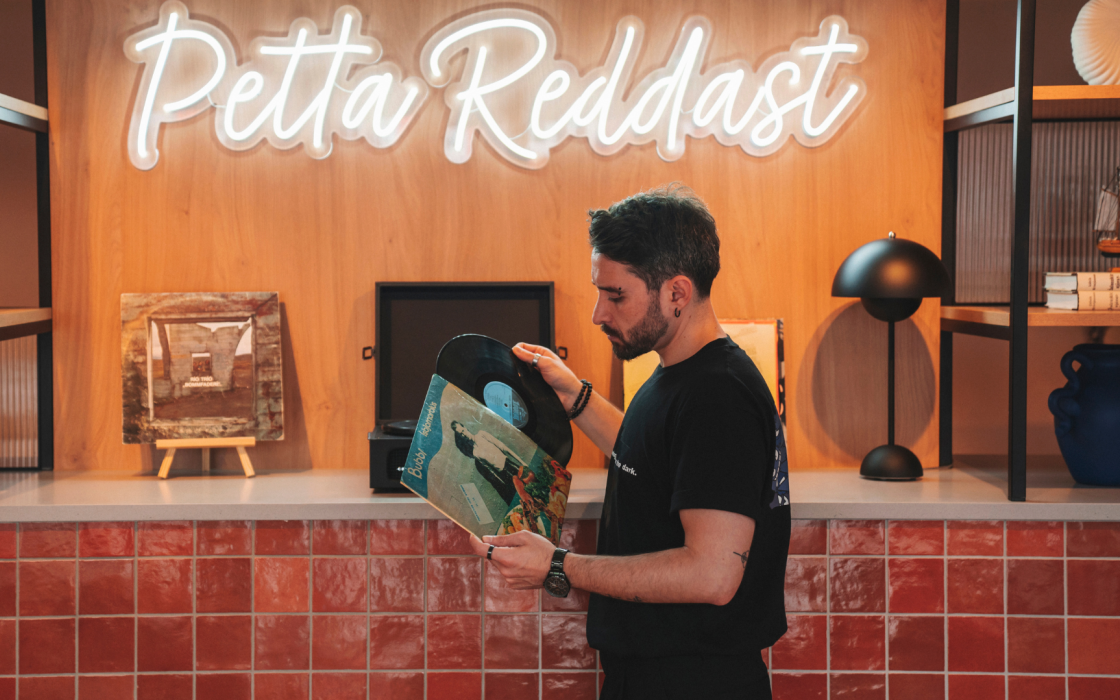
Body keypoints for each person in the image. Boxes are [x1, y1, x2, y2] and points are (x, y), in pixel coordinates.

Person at [470, 184, 790, 699]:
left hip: (694, 683)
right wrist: (573, 395)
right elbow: (660, 458)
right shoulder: (679, 373)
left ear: (677, 293)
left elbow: (711, 574)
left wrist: (557, 564)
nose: (599, 314)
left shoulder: (718, 396)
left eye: (616, 295)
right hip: (654, 677)